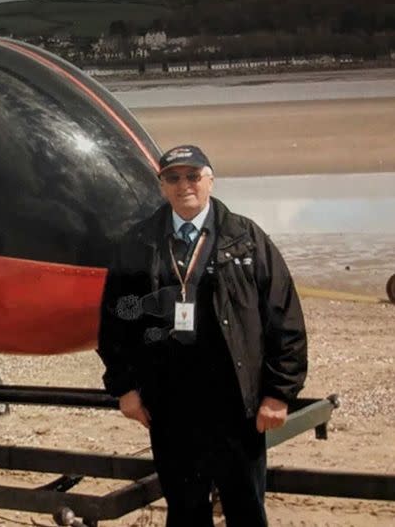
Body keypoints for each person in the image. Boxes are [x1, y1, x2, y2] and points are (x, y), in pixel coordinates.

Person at [97, 145, 307, 526]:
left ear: (210, 180)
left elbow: (284, 317)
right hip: (171, 405)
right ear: (161, 186)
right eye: (173, 178)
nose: (184, 186)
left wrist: (278, 393)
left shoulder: (247, 238)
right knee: (185, 511)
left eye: (193, 176)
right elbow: (115, 323)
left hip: (236, 406)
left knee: (245, 509)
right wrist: (125, 389)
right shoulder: (138, 243)